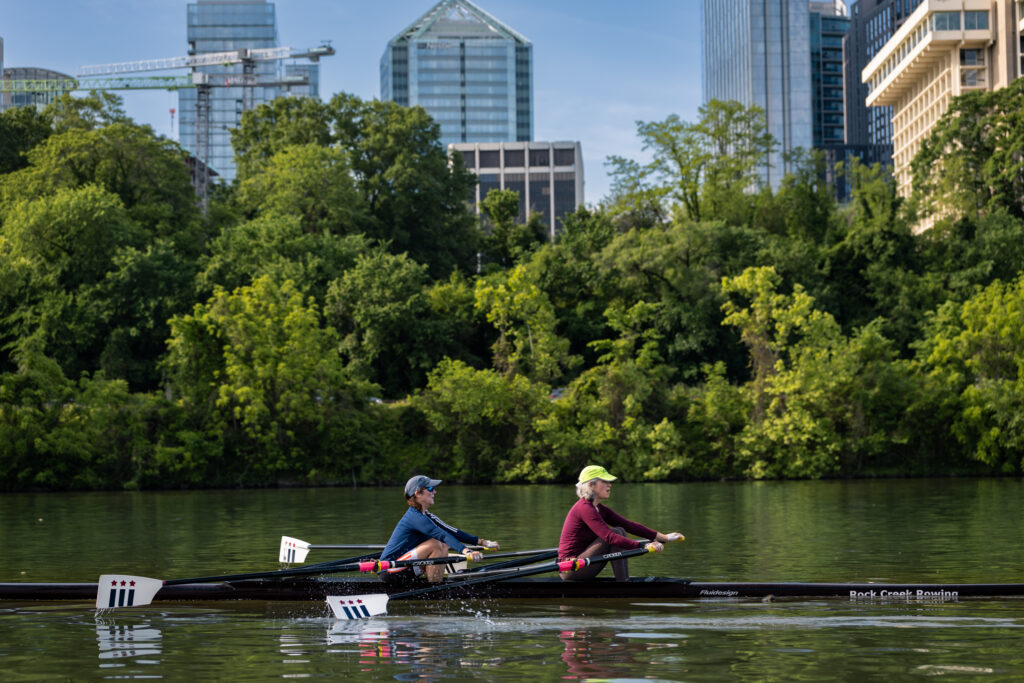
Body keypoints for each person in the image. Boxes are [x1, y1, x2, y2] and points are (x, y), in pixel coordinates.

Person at [558, 465, 683, 581]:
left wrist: (664, 537)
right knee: (615, 534)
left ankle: (623, 581)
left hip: (584, 562)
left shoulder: (599, 508)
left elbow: (629, 525)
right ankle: (623, 583)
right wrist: (643, 546)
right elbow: (610, 537)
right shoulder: (584, 508)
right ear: (591, 485)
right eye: (605, 481)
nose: (610, 485)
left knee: (620, 530)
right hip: (570, 569)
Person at [379, 475, 500, 584]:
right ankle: (435, 588)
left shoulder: (427, 516)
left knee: (443, 544)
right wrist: (466, 551)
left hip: (406, 566)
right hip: (389, 570)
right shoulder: (414, 517)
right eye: (431, 489)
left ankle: (437, 585)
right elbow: (442, 535)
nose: (435, 492)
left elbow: (452, 531)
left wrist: (482, 542)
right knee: (436, 543)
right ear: (418, 493)